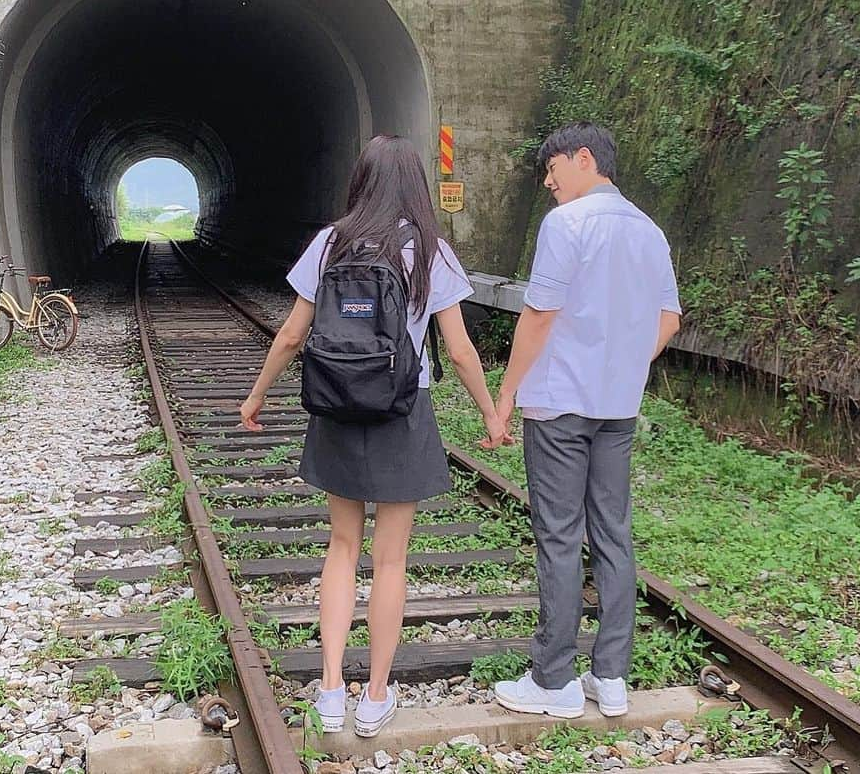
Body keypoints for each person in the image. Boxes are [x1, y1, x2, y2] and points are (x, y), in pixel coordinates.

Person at [239, 135, 508, 738]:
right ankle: (376, 695)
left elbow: (289, 335)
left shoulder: (330, 243)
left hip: (335, 407)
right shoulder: (431, 252)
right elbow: (461, 351)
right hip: (403, 410)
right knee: (391, 560)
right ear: (414, 184)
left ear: (360, 180)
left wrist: (256, 396)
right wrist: (492, 414)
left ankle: (330, 689)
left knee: (340, 547)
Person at [492, 122, 682, 719]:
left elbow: (540, 315)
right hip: (617, 406)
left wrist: (503, 398)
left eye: (554, 170)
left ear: (584, 159)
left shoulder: (566, 225)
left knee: (558, 534)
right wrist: (624, 364)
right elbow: (669, 321)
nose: (548, 183)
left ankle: (553, 681)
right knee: (613, 534)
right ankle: (611, 676)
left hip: (557, 404)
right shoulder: (650, 231)